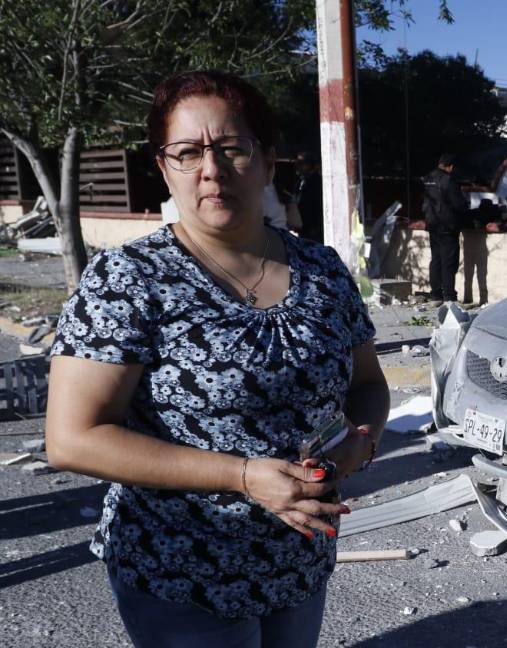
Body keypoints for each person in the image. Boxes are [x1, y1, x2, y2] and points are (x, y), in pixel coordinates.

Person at [45, 70, 389, 648]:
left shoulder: (324, 271)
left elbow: (369, 386)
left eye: (233, 148)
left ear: (267, 160)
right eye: (187, 152)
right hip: (180, 570)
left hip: (299, 559)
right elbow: (73, 438)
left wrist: (362, 441)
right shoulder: (127, 280)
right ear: (164, 167)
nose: (212, 169)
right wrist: (245, 477)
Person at [422, 153, 469, 306]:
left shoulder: (428, 178)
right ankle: (449, 296)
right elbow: (459, 205)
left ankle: (436, 295)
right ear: (451, 166)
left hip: (432, 225)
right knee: (448, 262)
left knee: (436, 259)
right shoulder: (449, 180)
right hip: (447, 226)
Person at [294, 151, 324, 243]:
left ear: (309, 164)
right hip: (302, 227)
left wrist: (315, 227)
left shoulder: (316, 181)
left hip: (312, 229)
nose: (297, 166)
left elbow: (318, 204)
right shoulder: (300, 181)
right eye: (297, 163)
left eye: (301, 163)